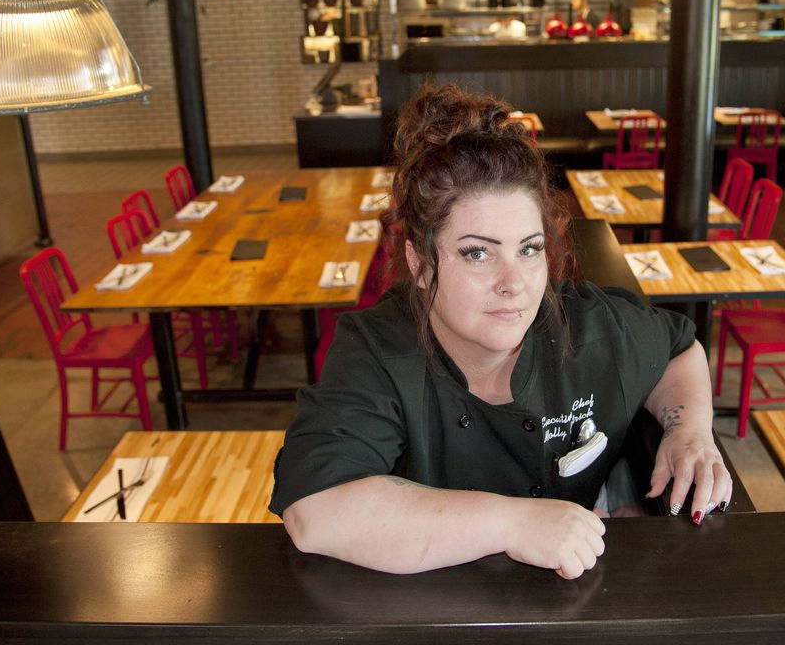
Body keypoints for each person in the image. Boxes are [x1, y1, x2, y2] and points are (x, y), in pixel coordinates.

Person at [271, 83, 731, 580]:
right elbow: (316, 510)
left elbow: (678, 348)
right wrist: (515, 524)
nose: (514, 284)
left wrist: (690, 431)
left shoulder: (591, 328)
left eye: (529, 249)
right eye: (477, 253)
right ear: (420, 264)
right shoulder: (378, 348)